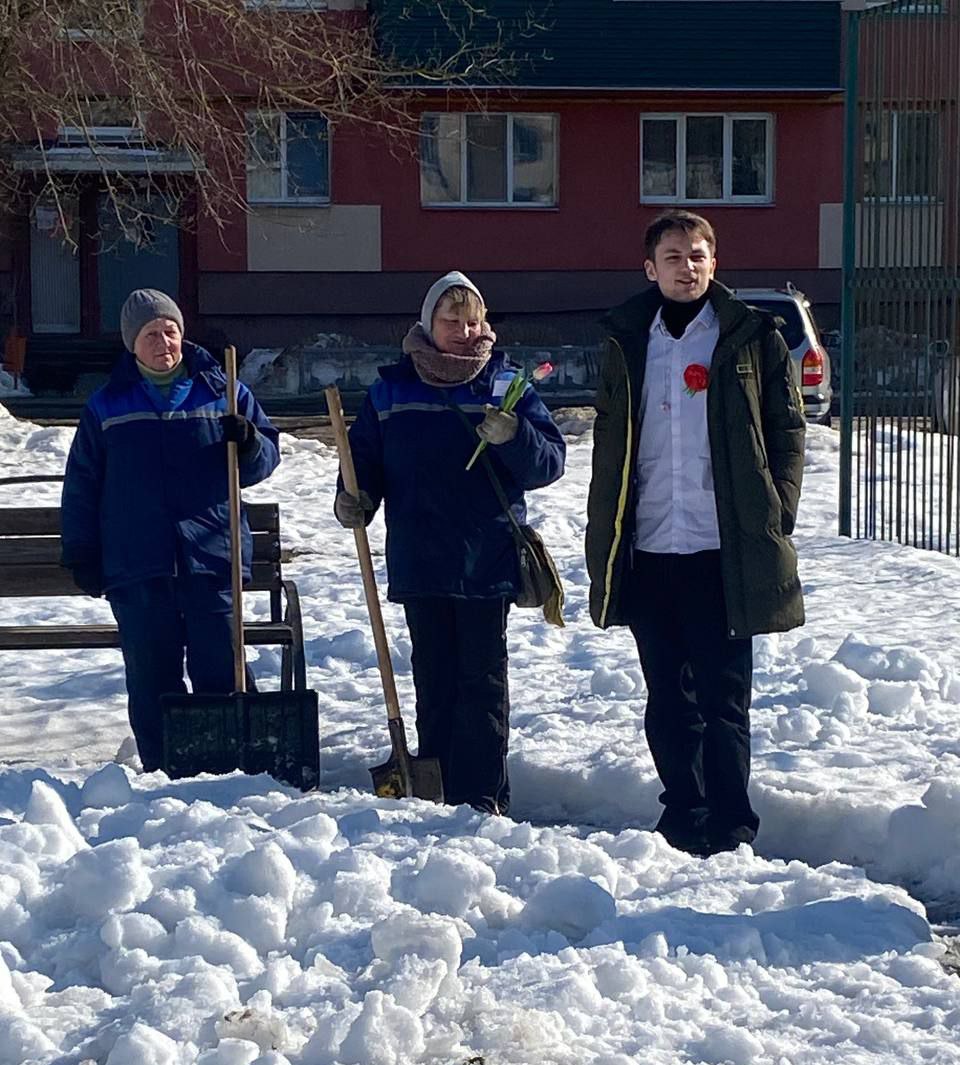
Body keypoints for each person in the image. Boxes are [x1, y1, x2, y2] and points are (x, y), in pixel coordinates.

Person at [585, 211, 805, 856]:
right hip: (651, 545)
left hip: (722, 548)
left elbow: (787, 430)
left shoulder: (750, 336)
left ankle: (732, 824)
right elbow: (612, 441)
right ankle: (683, 812)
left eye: (698, 255)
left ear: (715, 263)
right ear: (650, 268)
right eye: (674, 256)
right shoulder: (629, 341)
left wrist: (776, 509)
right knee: (668, 699)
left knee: (724, 699)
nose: (687, 267)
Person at [335, 271, 565, 815]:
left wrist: (515, 436)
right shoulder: (392, 391)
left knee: (482, 683)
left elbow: (549, 464)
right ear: (427, 325)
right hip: (421, 559)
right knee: (434, 680)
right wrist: (353, 498)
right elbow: (362, 463)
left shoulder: (506, 387)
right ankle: (435, 789)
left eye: (473, 320)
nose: (465, 331)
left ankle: (482, 796)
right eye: (451, 321)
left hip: (487, 558)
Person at [61, 288, 280, 771]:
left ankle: (230, 766)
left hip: (212, 558)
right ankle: (164, 771)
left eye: (170, 331)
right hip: (137, 564)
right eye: (151, 334)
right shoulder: (107, 405)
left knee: (221, 668)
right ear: (131, 344)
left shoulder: (222, 391)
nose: (164, 342)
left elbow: (264, 460)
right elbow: (82, 482)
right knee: (152, 676)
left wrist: (248, 443)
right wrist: (81, 550)